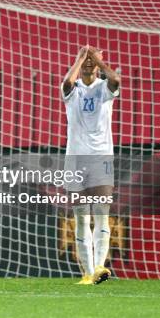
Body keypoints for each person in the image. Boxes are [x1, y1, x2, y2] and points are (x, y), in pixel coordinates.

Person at [61, 45, 120, 285]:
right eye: (85, 59)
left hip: (101, 158)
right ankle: (86, 273)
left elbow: (115, 78)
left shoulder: (104, 88)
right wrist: (79, 58)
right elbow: (67, 82)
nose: (88, 62)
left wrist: (97, 58)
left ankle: (99, 267)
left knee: (102, 215)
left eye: (92, 59)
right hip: (75, 158)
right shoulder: (72, 90)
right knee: (82, 216)